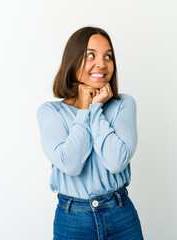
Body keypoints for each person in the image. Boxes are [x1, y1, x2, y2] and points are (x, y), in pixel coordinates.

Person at [37, 26, 143, 240]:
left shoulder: (123, 104)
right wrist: (85, 109)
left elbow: (116, 161)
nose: (102, 64)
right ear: (73, 61)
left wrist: (95, 109)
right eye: (91, 55)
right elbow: (71, 164)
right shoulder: (50, 112)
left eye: (108, 57)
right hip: (73, 220)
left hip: (121, 215)